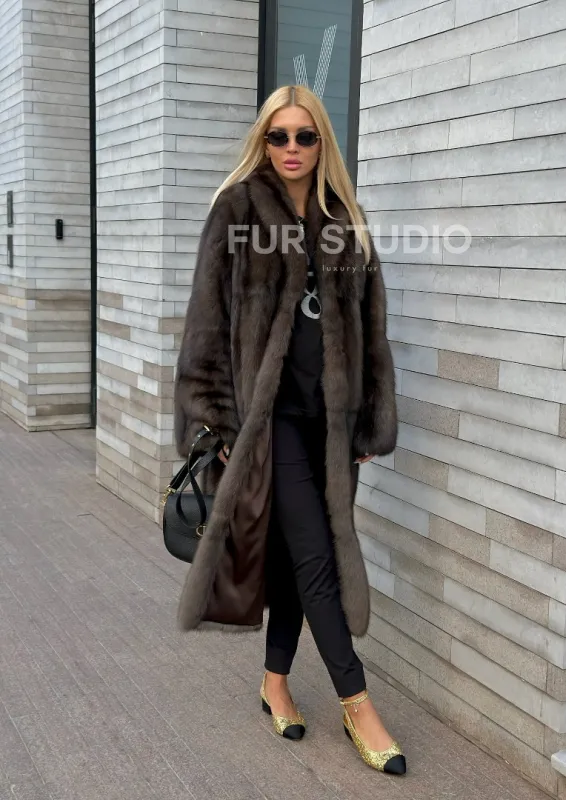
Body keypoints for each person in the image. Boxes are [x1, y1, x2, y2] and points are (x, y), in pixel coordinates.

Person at [173, 85, 404, 775]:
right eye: (279, 136)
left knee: (296, 561)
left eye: (305, 136)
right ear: (264, 141)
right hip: (267, 422)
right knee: (318, 555)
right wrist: (213, 418)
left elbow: (372, 330)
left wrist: (370, 418)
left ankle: (275, 683)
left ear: (322, 141)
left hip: (331, 423)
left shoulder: (344, 218)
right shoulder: (237, 209)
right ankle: (358, 702)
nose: (292, 148)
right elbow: (205, 324)